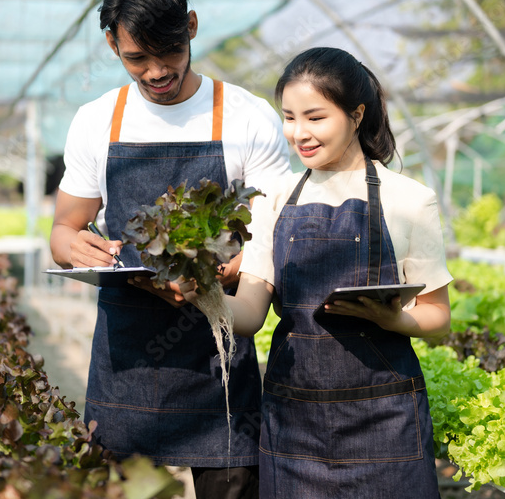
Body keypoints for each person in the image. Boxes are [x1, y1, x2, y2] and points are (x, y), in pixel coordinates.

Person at [50, 0, 291, 498]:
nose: (157, 71)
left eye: (170, 52)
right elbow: (64, 231)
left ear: (193, 27)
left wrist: (220, 270)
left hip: (219, 351)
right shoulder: (97, 120)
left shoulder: (248, 117)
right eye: (138, 57)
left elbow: (275, 231)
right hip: (126, 354)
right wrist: (77, 248)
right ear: (113, 44)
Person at [180, 46, 452, 498]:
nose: (299, 133)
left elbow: (438, 317)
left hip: (385, 422)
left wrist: (392, 319)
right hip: (294, 420)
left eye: (315, 117)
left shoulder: (409, 200)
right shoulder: (274, 199)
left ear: (357, 114)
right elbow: (249, 313)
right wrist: (201, 292)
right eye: (289, 117)